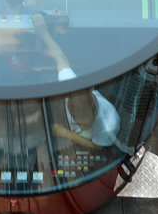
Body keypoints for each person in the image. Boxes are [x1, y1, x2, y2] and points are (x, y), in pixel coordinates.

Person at [31, 15, 120, 149]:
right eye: (79, 123)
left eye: (87, 123)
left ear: (95, 107)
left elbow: (98, 146)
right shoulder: (70, 86)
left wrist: (67, 133)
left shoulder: (109, 124)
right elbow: (59, 57)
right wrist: (43, 32)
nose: (83, 127)